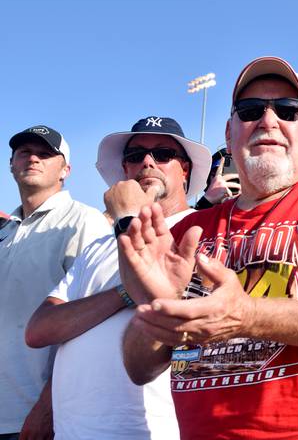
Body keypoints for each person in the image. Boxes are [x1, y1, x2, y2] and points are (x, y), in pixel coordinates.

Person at [118, 56, 298, 439]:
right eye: (251, 110)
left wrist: (247, 314)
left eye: (288, 110)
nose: (268, 120)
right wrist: (159, 309)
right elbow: (139, 368)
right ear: (229, 132)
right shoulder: (189, 230)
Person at [25, 116, 211, 439]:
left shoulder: (204, 230)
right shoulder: (98, 244)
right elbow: (40, 329)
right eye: (135, 155)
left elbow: (178, 315)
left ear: (185, 170)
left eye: (163, 153)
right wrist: (123, 294)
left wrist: (130, 218)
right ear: (125, 171)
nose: (147, 162)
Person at [0, 125, 110, 439]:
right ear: (11, 164)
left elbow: (89, 324)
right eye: (24, 152)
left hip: (39, 418)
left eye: (45, 153)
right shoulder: (5, 230)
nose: (33, 158)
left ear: (65, 169)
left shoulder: (84, 221)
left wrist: (47, 409)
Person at [196, 144, 242, 209]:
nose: (221, 179)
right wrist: (206, 201)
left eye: (231, 171)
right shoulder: (195, 214)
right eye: (215, 173)